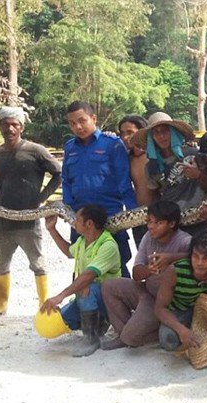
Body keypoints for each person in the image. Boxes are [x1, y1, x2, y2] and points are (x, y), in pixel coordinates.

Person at [0, 106, 62, 320]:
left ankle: (45, 306)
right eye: (5, 124)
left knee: (38, 263)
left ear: (22, 127)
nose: (10, 128)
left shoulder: (36, 151)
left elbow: (58, 173)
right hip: (2, 221)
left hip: (29, 220)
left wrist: (41, 198)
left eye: (14, 124)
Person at [100, 200, 191, 350]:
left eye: (157, 222)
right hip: (147, 291)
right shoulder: (148, 237)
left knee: (133, 336)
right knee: (109, 285)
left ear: (172, 224)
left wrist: (170, 258)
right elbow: (136, 274)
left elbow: (201, 256)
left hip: (166, 302)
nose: (151, 226)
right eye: (149, 221)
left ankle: (137, 334)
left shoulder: (184, 241)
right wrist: (150, 269)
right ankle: (123, 334)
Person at [62, 100, 136, 278]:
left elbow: (123, 181)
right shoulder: (69, 147)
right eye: (72, 123)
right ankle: (85, 303)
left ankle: (123, 304)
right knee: (83, 261)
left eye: (82, 121)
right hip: (80, 217)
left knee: (117, 264)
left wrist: (135, 214)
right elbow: (66, 181)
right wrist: (68, 210)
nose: (78, 127)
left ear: (93, 118)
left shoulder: (112, 144)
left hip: (110, 218)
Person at [40, 204, 121, 357]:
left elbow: (88, 276)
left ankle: (92, 338)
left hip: (108, 298)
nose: (73, 222)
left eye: (77, 219)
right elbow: (68, 251)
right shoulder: (83, 241)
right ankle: (96, 326)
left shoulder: (108, 245)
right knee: (63, 319)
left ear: (89, 224)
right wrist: (52, 229)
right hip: (93, 296)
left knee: (85, 288)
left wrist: (60, 296)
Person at [153, 230, 207, 367]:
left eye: (206, 258)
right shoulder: (176, 270)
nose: (199, 263)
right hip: (181, 309)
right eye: (195, 256)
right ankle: (187, 343)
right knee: (168, 340)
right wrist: (181, 330)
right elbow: (159, 308)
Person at [130, 112, 207, 237]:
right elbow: (155, 197)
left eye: (165, 131)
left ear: (173, 132)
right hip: (171, 227)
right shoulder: (151, 166)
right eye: (156, 132)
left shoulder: (194, 154)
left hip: (199, 220)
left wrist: (198, 175)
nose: (161, 136)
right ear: (152, 137)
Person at [117, 114, 151, 247]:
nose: (125, 137)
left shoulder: (155, 156)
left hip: (159, 216)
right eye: (122, 133)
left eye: (130, 132)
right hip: (137, 217)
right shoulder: (126, 158)